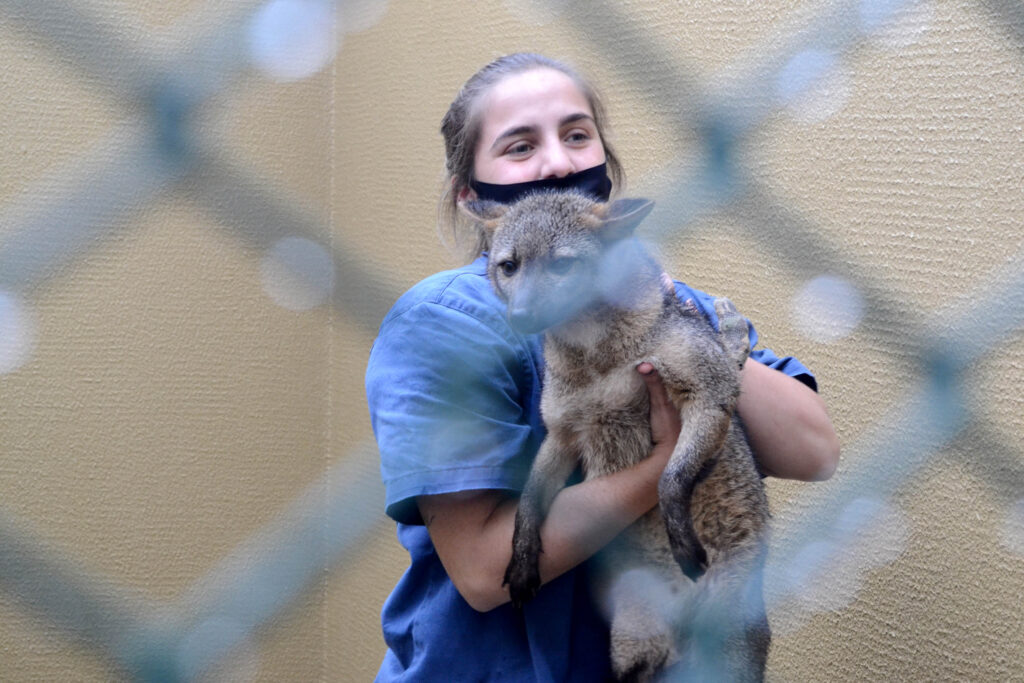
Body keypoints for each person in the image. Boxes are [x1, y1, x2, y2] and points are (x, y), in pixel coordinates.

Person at [365, 52, 840, 682]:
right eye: (519, 146)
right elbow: (483, 571)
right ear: (471, 194)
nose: (559, 161)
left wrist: (667, 321)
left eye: (577, 134)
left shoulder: (668, 299)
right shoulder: (447, 322)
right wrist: (661, 466)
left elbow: (814, 451)